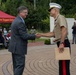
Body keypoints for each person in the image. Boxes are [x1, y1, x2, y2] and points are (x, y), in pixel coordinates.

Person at [37, 3, 71, 75]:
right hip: (61, 43)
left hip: (63, 43)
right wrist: (41, 34)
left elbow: (64, 30)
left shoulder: (60, 18)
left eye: (50, 10)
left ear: (55, 10)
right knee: (62, 65)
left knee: (64, 67)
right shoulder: (56, 20)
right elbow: (52, 33)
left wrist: (61, 43)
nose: (49, 12)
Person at [8, 6, 40, 75]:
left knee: (16, 66)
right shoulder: (20, 22)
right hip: (19, 48)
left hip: (14, 47)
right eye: (25, 12)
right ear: (20, 12)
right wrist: (34, 36)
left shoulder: (16, 20)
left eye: (27, 12)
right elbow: (24, 36)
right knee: (20, 66)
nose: (26, 14)